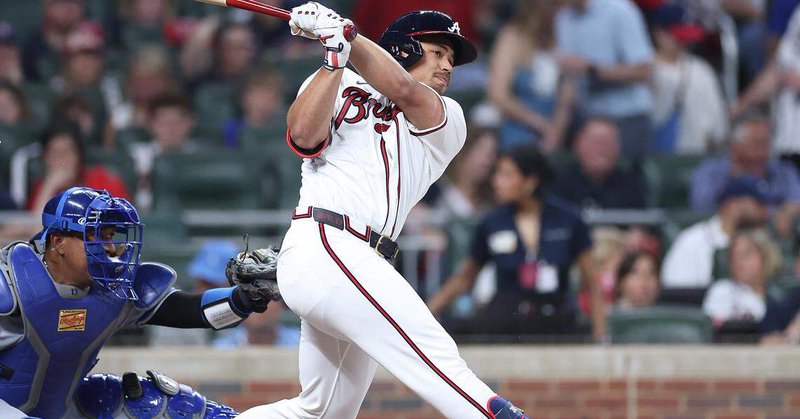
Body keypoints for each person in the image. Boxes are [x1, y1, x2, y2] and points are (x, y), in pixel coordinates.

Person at [238, 5, 528, 419]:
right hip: (326, 241)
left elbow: (404, 91)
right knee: (436, 357)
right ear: (404, 49)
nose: (447, 67)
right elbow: (303, 137)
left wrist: (348, 38)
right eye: (438, 52)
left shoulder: (450, 119)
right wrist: (335, 55)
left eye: (451, 60)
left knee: (321, 412)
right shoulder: (336, 79)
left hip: (363, 261)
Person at [0, 187, 277, 418]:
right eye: (96, 236)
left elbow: (192, 311)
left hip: (59, 410)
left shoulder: (115, 289)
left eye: (110, 236)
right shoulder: (9, 285)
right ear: (58, 241)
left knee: (159, 404)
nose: (109, 248)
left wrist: (246, 297)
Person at [428, 145, 602, 339]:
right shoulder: (492, 223)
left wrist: (600, 337)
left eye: (506, 175)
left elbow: (592, 283)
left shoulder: (569, 220)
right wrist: (424, 314)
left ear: (530, 181)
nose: (496, 182)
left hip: (556, 319)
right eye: (497, 175)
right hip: (506, 321)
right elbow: (464, 278)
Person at [556, 0, 655, 160]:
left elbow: (644, 71)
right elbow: (570, 81)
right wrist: (555, 134)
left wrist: (592, 69)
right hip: (587, 120)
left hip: (627, 119)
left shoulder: (621, 11)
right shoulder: (564, 19)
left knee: (626, 179)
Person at [689, 114, 800, 237]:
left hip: (774, 238)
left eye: (767, 142)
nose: (765, 150)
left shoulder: (783, 170)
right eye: (757, 143)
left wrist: (763, 212)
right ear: (736, 145)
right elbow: (701, 209)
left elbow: (796, 201)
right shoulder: (711, 172)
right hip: (722, 236)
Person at [488, 0, 575, 151]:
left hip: (553, 127)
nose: (562, 11)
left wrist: (555, 132)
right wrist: (539, 124)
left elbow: (567, 98)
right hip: (516, 121)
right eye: (556, 5)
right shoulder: (512, 37)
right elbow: (498, 95)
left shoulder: (565, 39)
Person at [662, 175, 769, 289]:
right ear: (732, 205)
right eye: (758, 205)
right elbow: (678, 293)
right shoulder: (692, 242)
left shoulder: (764, 242)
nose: (765, 212)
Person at [649, 3, 728, 155]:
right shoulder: (642, 69)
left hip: (698, 155)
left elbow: (718, 129)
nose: (683, 43)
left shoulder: (701, 69)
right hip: (655, 154)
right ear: (659, 33)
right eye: (678, 37)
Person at [27, 118, 130, 214]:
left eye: (67, 153)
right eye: (55, 154)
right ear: (45, 158)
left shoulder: (105, 183)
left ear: (79, 156)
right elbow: (34, 229)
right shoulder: (41, 187)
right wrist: (49, 187)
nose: (62, 161)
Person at [550, 117, 647, 209]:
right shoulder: (558, 182)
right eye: (597, 142)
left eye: (608, 143)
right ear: (578, 144)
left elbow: (643, 223)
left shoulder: (630, 184)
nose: (602, 149)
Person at [703, 228, 780, 326]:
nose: (738, 262)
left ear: (765, 256)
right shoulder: (723, 290)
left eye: (746, 255)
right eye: (734, 256)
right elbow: (716, 331)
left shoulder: (779, 295)